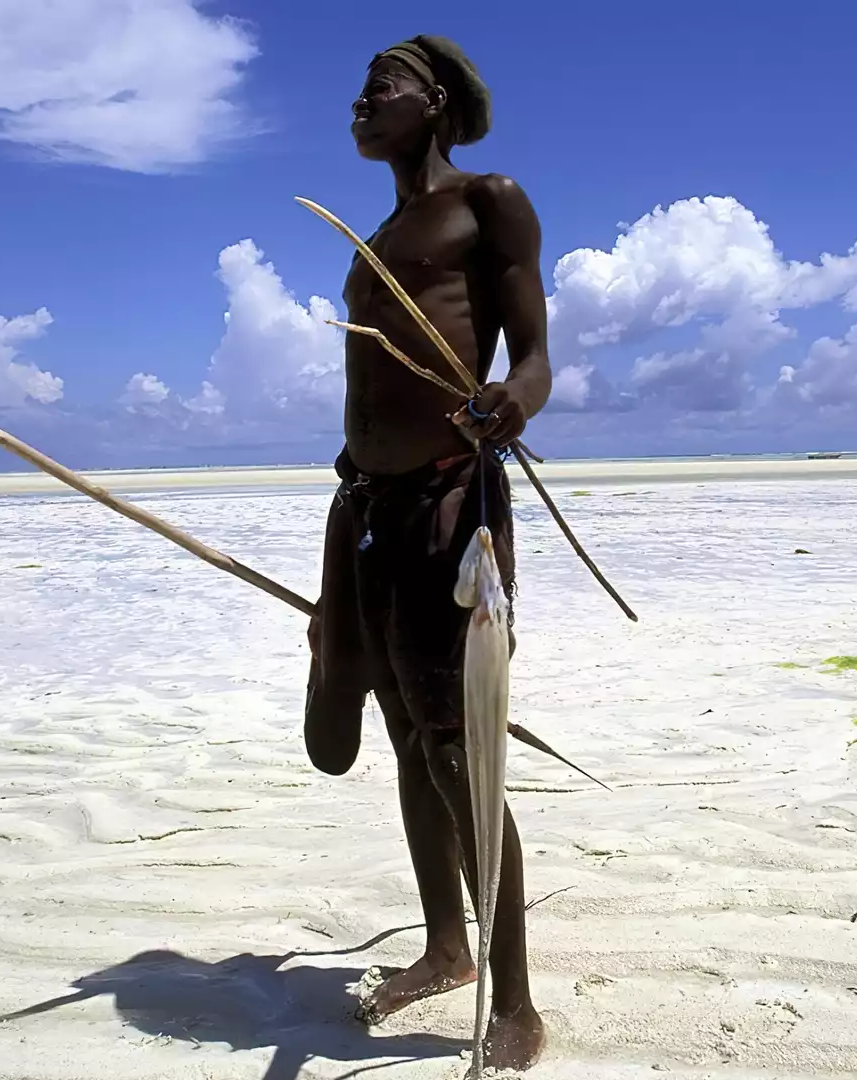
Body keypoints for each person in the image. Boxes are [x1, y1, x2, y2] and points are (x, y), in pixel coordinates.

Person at [301, 34, 552, 1072]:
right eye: (359, 94)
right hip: (370, 509)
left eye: (381, 89)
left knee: (457, 747)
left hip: (453, 502)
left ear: (435, 100)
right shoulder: (378, 236)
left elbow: (534, 363)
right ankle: (447, 947)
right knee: (403, 733)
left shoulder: (489, 201)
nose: (360, 106)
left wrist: (510, 401)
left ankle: (517, 1005)